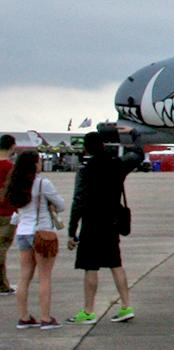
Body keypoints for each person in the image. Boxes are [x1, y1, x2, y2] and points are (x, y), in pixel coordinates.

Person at [66, 131, 144, 324]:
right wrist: (131, 136)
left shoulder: (85, 170)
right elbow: (138, 155)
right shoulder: (117, 164)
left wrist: (71, 230)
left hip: (91, 223)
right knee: (116, 264)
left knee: (90, 267)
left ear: (86, 148)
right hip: (112, 221)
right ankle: (126, 305)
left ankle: (88, 310)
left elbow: (78, 201)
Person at [9, 151, 67, 329]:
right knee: (44, 277)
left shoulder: (16, 183)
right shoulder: (42, 183)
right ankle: (46, 317)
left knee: (24, 277)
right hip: (42, 232)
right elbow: (61, 205)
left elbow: (16, 212)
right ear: (34, 164)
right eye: (39, 161)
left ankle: (24, 317)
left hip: (23, 232)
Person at [0, 133, 16, 295]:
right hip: (7, 213)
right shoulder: (10, 168)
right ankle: (2, 285)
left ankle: (3, 284)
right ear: (12, 147)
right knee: (2, 248)